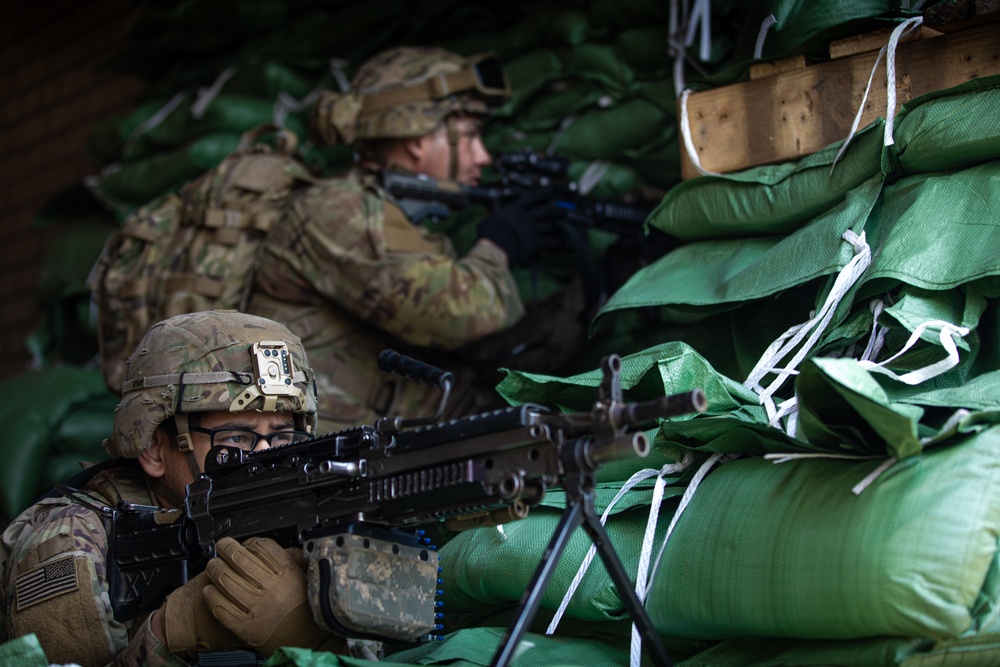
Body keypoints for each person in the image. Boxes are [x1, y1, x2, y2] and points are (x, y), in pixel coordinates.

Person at [248, 46, 584, 433]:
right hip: (321, 453)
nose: (484, 156)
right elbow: (464, 314)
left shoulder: (391, 215)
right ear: (417, 138)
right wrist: (499, 243)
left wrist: (590, 296)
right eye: (470, 135)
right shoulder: (339, 211)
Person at [0, 310, 346, 666]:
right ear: (154, 449)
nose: (265, 456)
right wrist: (172, 632)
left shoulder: (301, 523)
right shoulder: (72, 542)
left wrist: (319, 642)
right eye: (236, 438)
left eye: (282, 437)